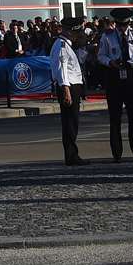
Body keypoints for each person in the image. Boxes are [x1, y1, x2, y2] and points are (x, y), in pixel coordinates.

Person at [96, 10, 133, 162]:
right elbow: (101, 55)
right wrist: (110, 62)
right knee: (115, 118)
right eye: (119, 25)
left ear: (129, 23)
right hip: (114, 77)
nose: (122, 28)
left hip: (132, 76)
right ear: (115, 23)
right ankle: (117, 153)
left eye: (124, 24)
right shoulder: (108, 36)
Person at [48, 21, 86, 166]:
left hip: (72, 85)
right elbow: (62, 69)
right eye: (75, 32)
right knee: (70, 122)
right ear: (69, 31)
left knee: (72, 122)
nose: (77, 35)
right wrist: (66, 90)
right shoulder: (62, 46)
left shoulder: (66, 44)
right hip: (69, 86)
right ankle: (71, 155)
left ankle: (72, 154)